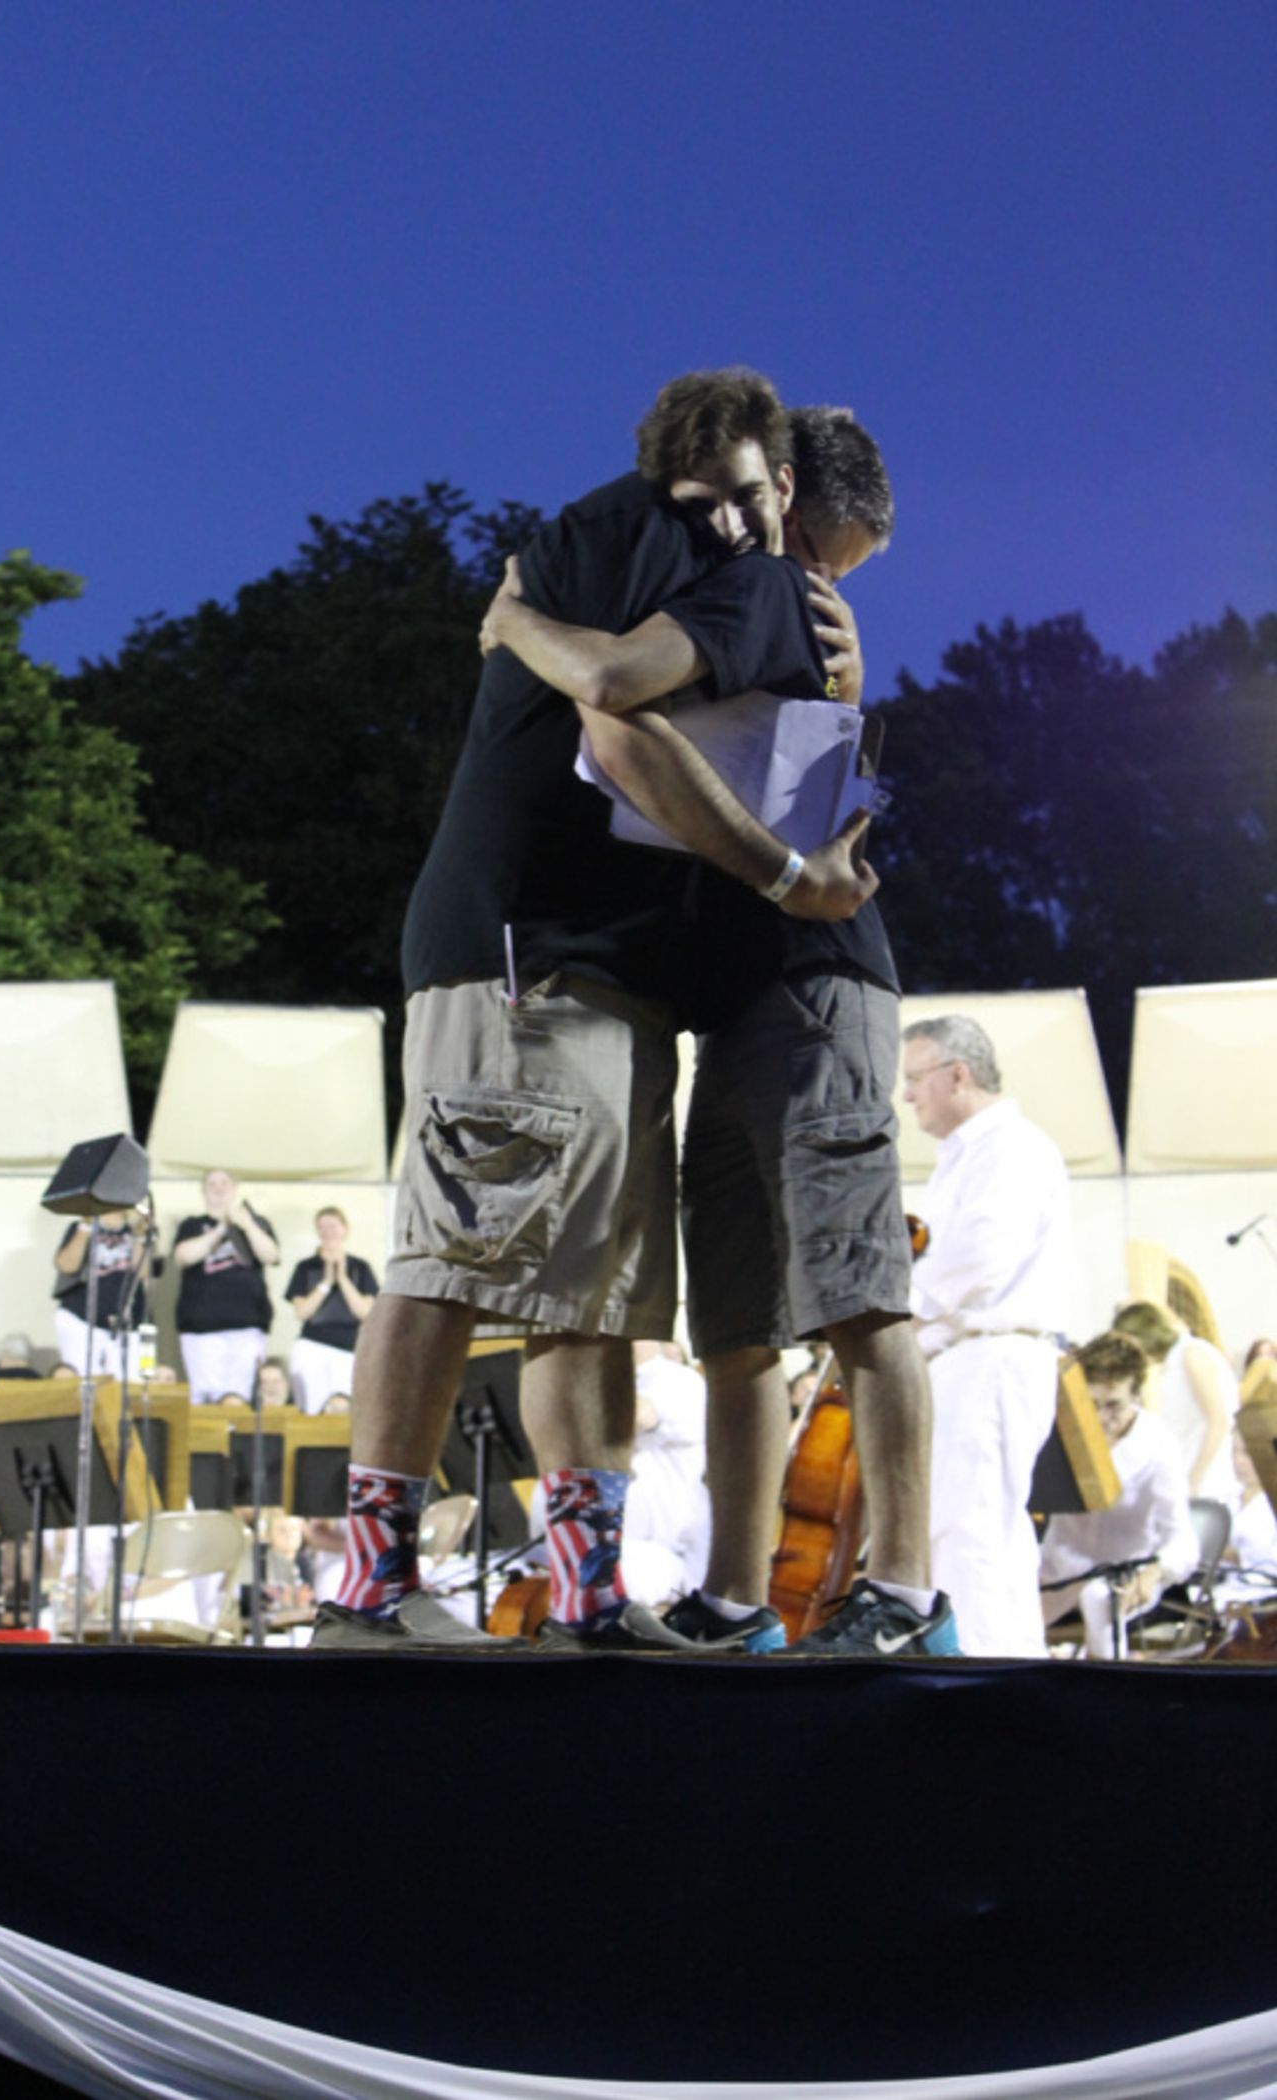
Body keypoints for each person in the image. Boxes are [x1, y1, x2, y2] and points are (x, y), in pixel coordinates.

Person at [312, 367, 877, 1653]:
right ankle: (368, 1588)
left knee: (594, 1291)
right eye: (712, 501)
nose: (734, 528)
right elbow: (618, 712)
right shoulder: (722, 562)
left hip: (594, 963)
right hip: (528, 950)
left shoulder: (640, 542)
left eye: (747, 503)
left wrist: (517, 622)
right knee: (454, 1254)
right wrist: (788, 877)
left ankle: (585, 1598)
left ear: (778, 476)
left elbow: (623, 692)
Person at [487, 403, 954, 1659]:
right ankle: (737, 1597)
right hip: (739, 999)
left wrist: (516, 618)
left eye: (837, 578)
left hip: (815, 983)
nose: (819, 588)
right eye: (826, 556)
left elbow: (616, 694)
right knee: (738, 1329)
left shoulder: (768, 601)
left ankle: (908, 1592)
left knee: (858, 1294)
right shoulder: (748, 584)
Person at [903, 1014, 1075, 1657]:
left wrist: (895, 1316)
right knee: (975, 1533)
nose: (908, 1095)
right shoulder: (974, 1152)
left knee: (969, 1532)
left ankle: (981, 1681)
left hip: (990, 1356)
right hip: (971, 1359)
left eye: (915, 1078)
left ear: (958, 1074)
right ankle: (997, 1673)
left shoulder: (1012, 1147)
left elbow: (976, 1259)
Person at [1039, 1332, 1198, 1658]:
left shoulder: (1156, 1442)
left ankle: (1107, 1684)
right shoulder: (1063, 1432)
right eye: (1091, 1404)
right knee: (1001, 1606)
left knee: (1099, 1599)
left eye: (1114, 1406)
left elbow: (1182, 1539)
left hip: (1125, 1571)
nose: (1100, 1418)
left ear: (1136, 1395)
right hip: (1060, 1567)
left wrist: (1156, 1573)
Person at [1111, 1299, 1241, 1509]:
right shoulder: (1171, 1361)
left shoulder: (1192, 1354)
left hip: (1207, 1486)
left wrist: (1194, 1479)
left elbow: (1219, 1420)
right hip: (1185, 1481)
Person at [172, 1169, 280, 1405]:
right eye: (212, 1183)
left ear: (235, 1189)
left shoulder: (257, 1223)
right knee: (205, 1398)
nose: (218, 1187)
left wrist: (247, 1225)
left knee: (239, 1397)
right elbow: (183, 1257)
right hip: (201, 1328)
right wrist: (222, 1228)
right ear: (203, 1191)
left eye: (224, 1182)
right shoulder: (191, 1225)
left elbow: (271, 1255)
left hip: (248, 1325)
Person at [286, 1209, 378, 1414]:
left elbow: (365, 1313)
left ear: (344, 1229)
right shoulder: (305, 1267)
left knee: (345, 1407)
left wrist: (343, 1279)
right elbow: (301, 1312)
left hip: (349, 1347)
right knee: (311, 1408)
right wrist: (326, 1282)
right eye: (322, 1227)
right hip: (312, 1344)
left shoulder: (361, 1267)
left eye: (333, 1226)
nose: (328, 1232)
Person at [51, 1209, 150, 1377]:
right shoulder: (80, 1227)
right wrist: (86, 1225)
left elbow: (144, 1272)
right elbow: (66, 1265)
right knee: (83, 1381)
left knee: (132, 1380)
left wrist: (137, 1233)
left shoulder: (138, 1230)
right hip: (80, 1318)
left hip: (128, 1322)